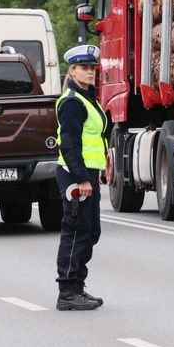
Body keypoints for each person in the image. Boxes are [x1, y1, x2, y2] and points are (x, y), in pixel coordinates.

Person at [54, 44, 111, 311]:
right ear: (73, 70)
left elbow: (95, 139)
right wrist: (81, 178)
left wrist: (97, 172)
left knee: (89, 231)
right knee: (76, 230)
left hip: (87, 173)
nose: (90, 72)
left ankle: (77, 287)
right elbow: (69, 143)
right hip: (74, 175)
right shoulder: (72, 102)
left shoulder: (88, 99)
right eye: (84, 68)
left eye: (92, 68)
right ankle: (67, 291)